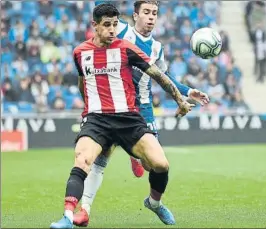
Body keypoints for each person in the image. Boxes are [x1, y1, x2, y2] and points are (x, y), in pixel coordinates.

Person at [50, 3, 195, 228]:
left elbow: (159, 76)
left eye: (115, 25)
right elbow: (82, 83)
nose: (112, 30)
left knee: (160, 164)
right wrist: (89, 110)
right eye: (107, 25)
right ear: (94, 26)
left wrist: (180, 100)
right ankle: (69, 216)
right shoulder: (80, 52)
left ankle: (154, 203)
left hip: (128, 118)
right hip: (97, 119)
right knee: (83, 160)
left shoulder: (127, 48)